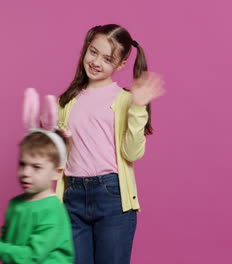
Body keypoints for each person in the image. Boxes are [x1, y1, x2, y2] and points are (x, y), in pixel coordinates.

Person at [55, 24, 165, 264]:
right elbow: (59, 158)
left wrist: (138, 108)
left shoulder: (126, 99)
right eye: (93, 52)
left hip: (112, 198)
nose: (96, 62)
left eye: (107, 58)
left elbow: (132, 153)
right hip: (71, 197)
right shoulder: (66, 101)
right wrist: (56, 140)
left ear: (121, 65)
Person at [0, 89, 74, 264]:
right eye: (22, 164)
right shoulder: (15, 205)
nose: (26, 172)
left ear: (57, 172)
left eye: (36, 167)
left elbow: (33, 257)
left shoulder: (52, 210)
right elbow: (10, 246)